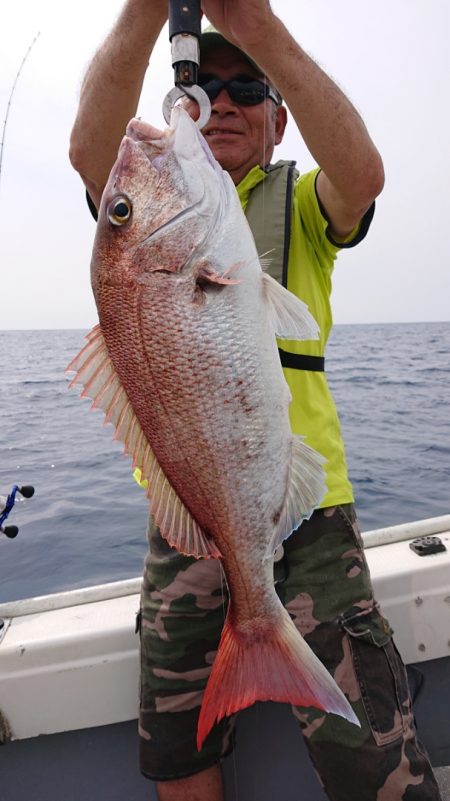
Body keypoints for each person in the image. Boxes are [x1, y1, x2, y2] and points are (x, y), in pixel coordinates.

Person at [69, 2, 442, 800]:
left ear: (280, 121)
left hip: (310, 517)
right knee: (177, 752)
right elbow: (88, 152)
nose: (226, 100)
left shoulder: (302, 207)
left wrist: (259, 25)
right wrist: (143, 9)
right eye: (207, 82)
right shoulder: (146, 221)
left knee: (373, 761)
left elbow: (364, 176)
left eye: (249, 88)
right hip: (189, 518)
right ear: (185, 103)